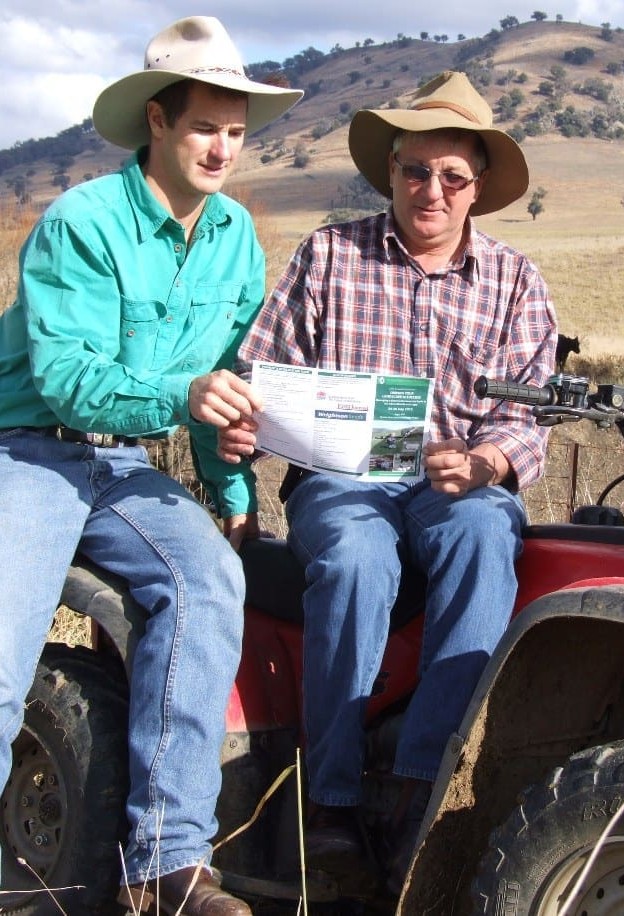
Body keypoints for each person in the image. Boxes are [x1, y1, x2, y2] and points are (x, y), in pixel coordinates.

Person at [221, 70, 557, 892]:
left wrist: (485, 462)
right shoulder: (331, 255)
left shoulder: (516, 281)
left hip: (458, 482)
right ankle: (329, 800)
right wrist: (245, 424)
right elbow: (265, 374)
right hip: (347, 482)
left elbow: (534, 410)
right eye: (415, 170)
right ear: (391, 172)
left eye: (452, 177)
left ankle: (420, 787)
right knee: (355, 560)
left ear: (476, 189)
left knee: (486, 534)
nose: (431, 190)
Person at [0, 16, 301, 915]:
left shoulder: (236, 238)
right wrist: (185, 397)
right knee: (6, 639)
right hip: (29, 448)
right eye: (205, 125)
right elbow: (69, 383)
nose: (222, 146)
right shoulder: (83, 222)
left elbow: (222, 385)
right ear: (158, 122)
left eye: (237, 129)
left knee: (208, 576)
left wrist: (234, 490)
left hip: (122, 466)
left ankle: (167, 866)